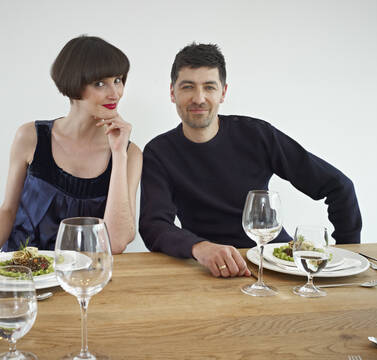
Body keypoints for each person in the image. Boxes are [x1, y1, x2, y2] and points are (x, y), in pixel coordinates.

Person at [138, 43, 361, 278]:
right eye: (188, 87)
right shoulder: (159, 152)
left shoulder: (256, 135)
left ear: (223, 92)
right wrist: (199, 248)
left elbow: (339, 187)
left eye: (209, 87)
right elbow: (154, 225)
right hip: (209, 267)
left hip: (275, 265)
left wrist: (348, 256)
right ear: (173, 93)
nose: (199, 98)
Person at [0, 35, 142, 257]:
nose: (115, 93)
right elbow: (8, 209)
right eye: (100, 83)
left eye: (118, 80)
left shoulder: (129, 153)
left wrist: (119, 154)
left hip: (84, 280)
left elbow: (117, 242)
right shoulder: (31, 136)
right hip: (23, 273)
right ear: (74, 84)